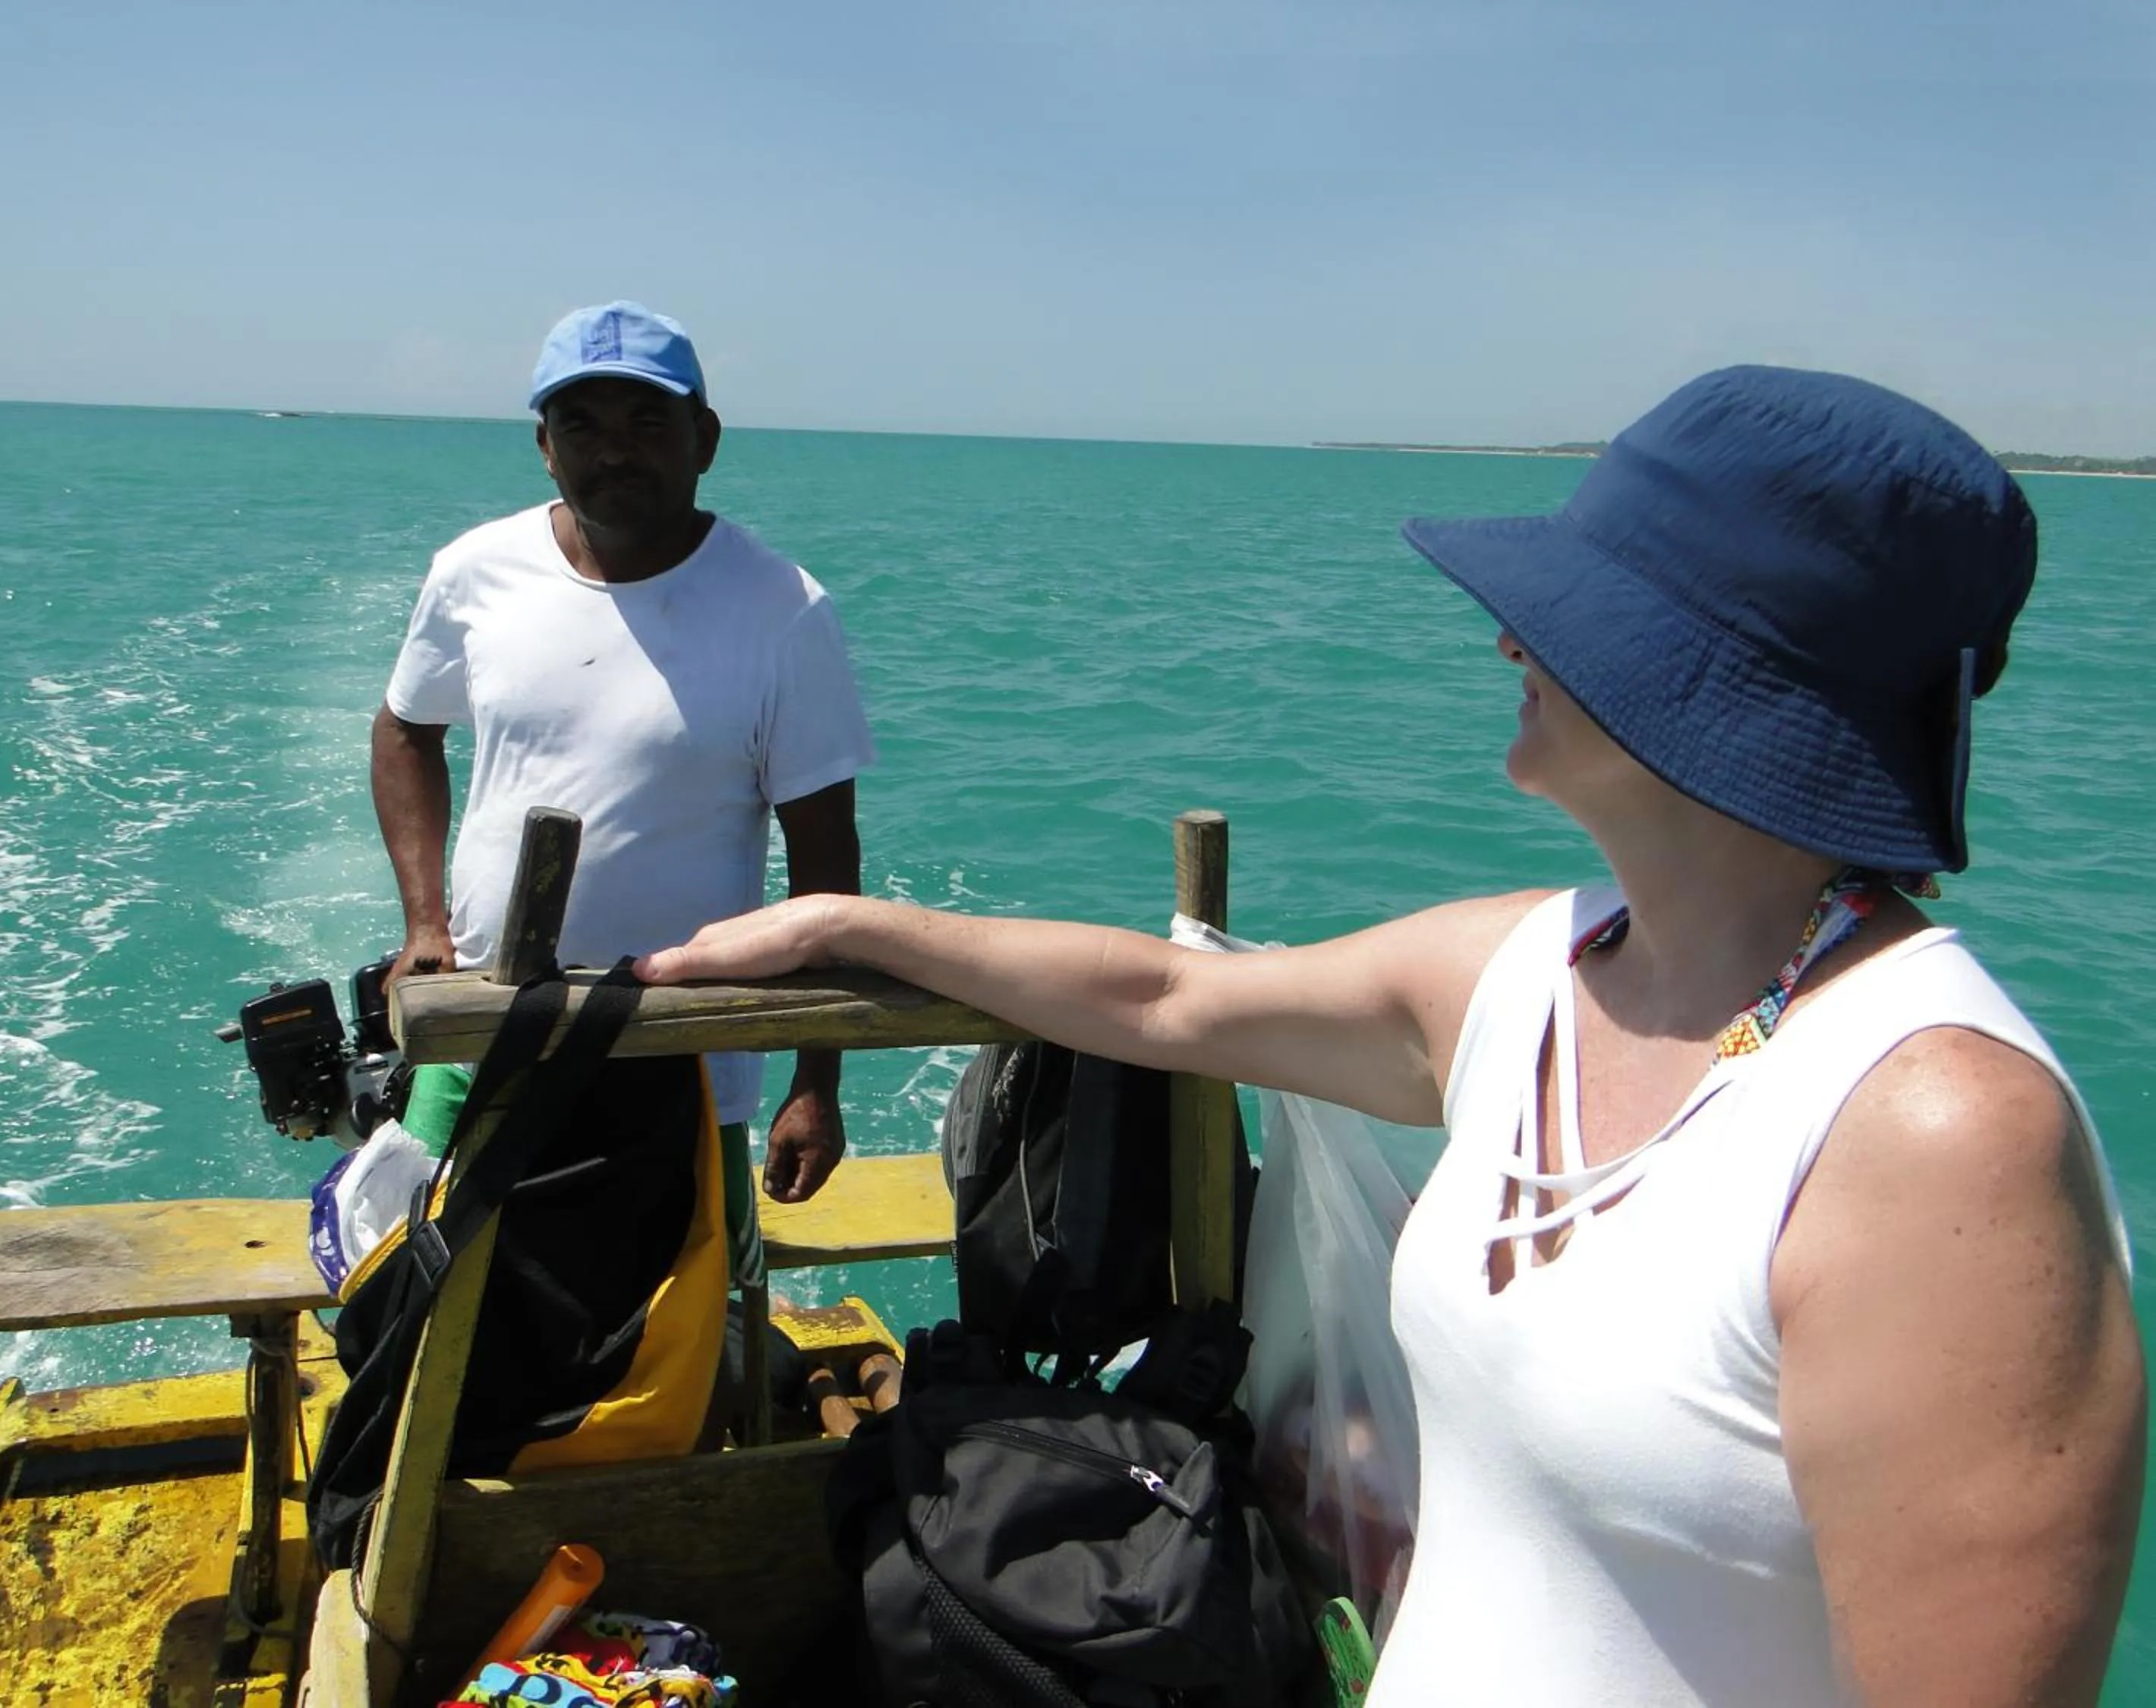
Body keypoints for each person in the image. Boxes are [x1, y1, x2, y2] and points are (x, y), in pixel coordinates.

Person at [635, 367, 2145, 1706]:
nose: (1504, 640)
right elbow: (1170, 1000)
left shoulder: (1936, 1135)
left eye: (1574, 612)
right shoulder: (1541, 968)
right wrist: (850, 928)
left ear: (1724, 677)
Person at [371, 301, 876, 1295]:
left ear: (706, 440)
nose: (616, 452)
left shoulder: (783, 610)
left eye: (649, 423)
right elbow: (403, 728)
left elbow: (826, 858)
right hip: (485, 1018)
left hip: (686, 1049)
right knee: (413, 1280)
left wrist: (818, 1080)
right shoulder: (475, 574)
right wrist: (424, 921)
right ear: (544, 448)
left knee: (685, 1320)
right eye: (583, 426)